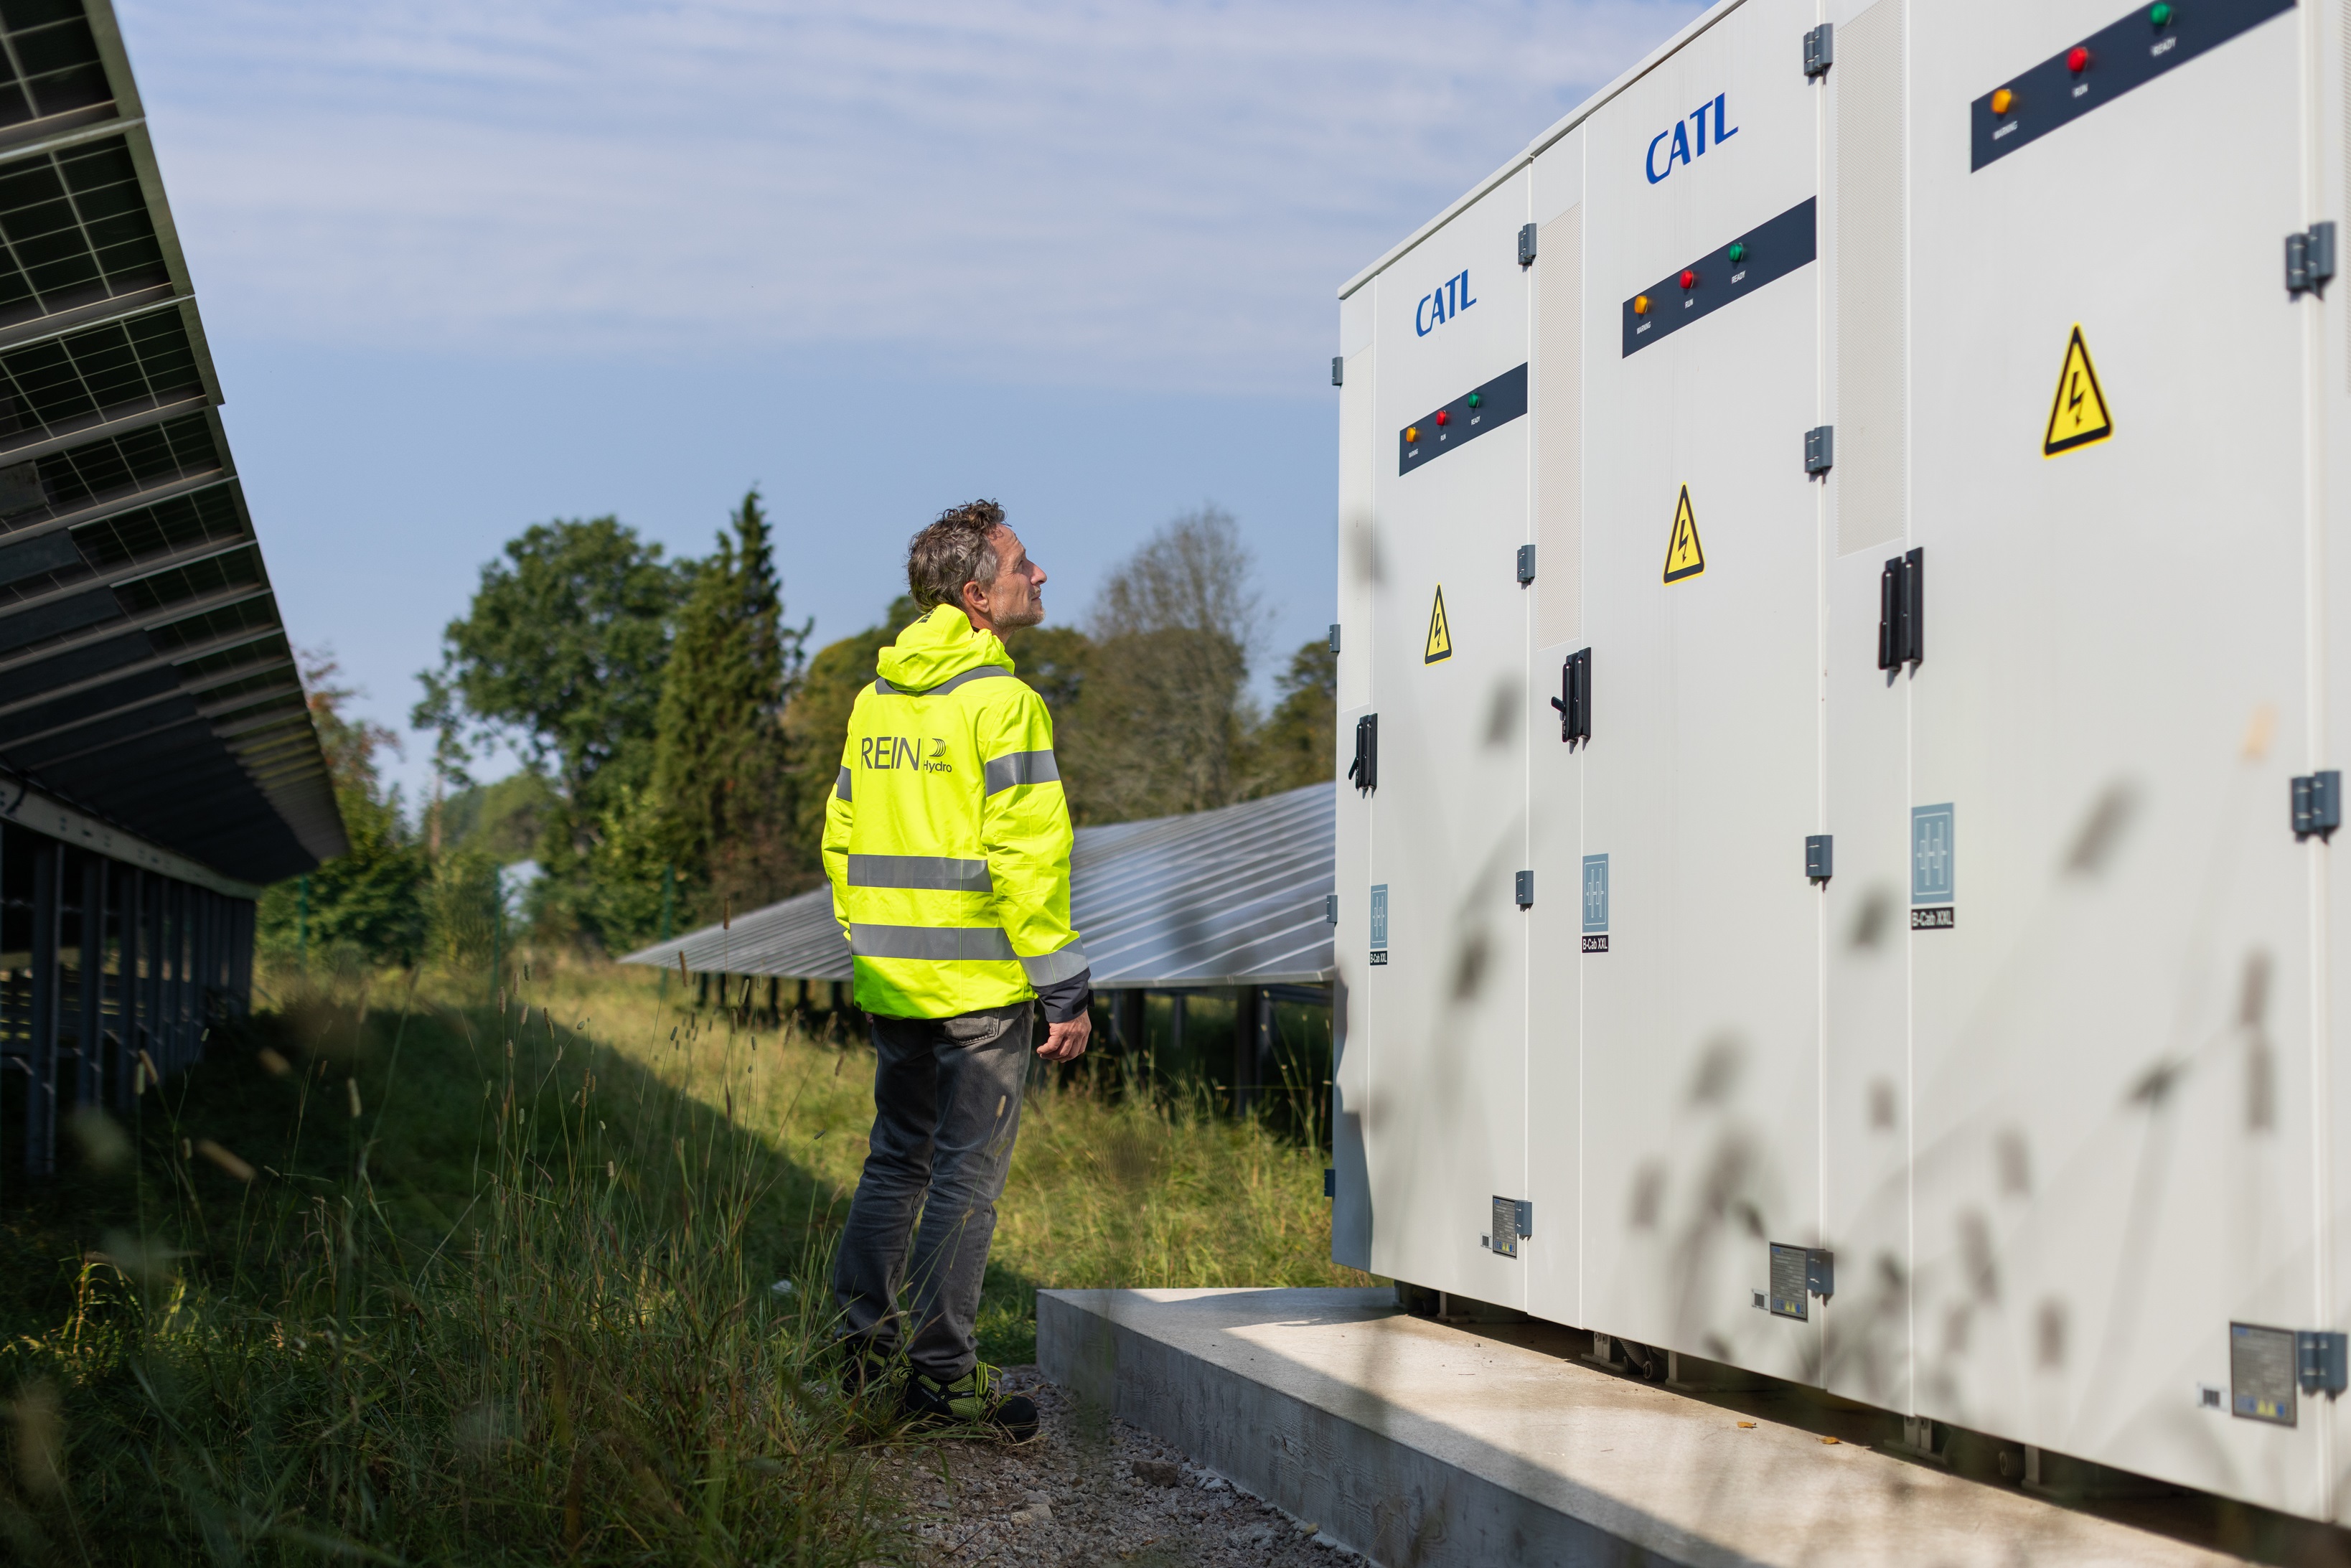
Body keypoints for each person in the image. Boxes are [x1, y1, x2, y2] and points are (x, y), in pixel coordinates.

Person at [823, 498, 1092, 1440]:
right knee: (965, 1184)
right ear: (979, 598)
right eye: (1025, 564)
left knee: (895, 1163)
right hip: (979, 990)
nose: (1041, 576)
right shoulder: (1002, 703)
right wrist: (1061, 981)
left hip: (894, 985)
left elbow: (843, 836)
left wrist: (870, 940)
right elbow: (1028, 855)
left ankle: (859, 1359)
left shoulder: (876, 700)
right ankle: (941, 1380)